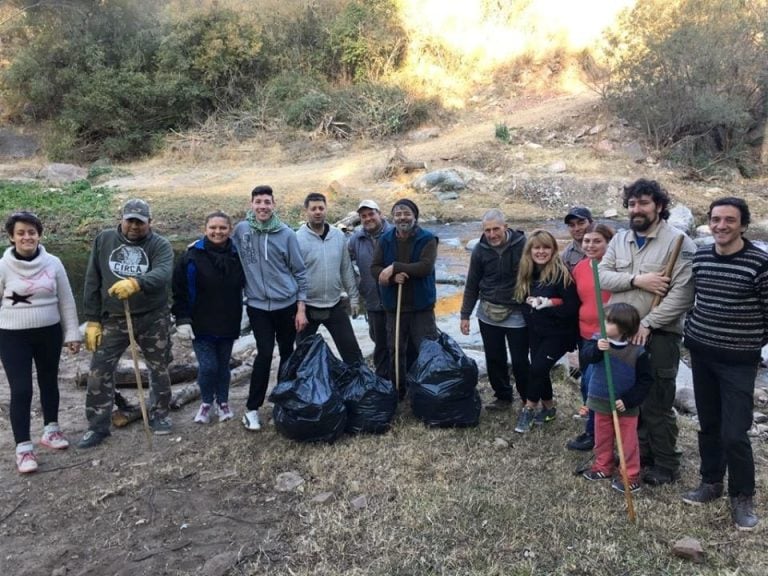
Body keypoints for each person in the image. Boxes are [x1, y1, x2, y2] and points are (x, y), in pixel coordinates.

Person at [598, 178, 695, 485]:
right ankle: (641, 456)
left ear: (659, 206)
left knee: (657, 403)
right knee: (631, 398)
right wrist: (637, 280)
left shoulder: (679, 243)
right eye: (632, 204)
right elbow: (603, 276)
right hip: (623, 337)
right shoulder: (620, 239)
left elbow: (682, 295)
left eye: (643, 203)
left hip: (659, 335)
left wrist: (649, 323)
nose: (636, 209)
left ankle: (666, 465)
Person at [681, 197, 768, 531]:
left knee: (735, 433)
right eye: (716, 220)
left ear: (743, 225)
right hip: (701, 354)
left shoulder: (759, 264)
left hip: (738, 362)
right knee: (709, 424)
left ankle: (742, 496)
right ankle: (711, 482)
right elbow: (695, 298)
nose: (721, 226)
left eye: (729, 220)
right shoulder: (701, 256)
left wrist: (748, 343)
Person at [78, 199, 175, 448]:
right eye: (130, 220)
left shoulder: (159, 244)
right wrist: (92, 320)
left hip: (154, 317)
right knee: (99, 369)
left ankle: (160, 415)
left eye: (140, 222)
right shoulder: (104, 240)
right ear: (121, 219)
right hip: (114, 317)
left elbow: (163, 274)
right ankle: (97, 425)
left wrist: (135, 283)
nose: (134, 226)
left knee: (159, 367)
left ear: (149, 223)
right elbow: (92, 279)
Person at [0, 211, 81, 473]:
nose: (27, 237)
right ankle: (23, 448)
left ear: (39, 235)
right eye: (21, 232)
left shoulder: (54, 263)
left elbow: (66, 300)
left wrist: (72, 334)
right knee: (21, 389)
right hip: (12, 335)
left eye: (31, 232)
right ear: (11, 237)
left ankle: (51, 430)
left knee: (49, 382)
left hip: (49, 332)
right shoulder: (2, 266)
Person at [232, 185, 308, 431]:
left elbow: (300, 272)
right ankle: (252, 409)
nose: (262, 206)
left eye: (267, 202)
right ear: (251, 204)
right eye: (258, 202)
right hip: (257, 306)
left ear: (274, 205)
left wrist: (301, 308)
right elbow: (223, 246)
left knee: (287, 353)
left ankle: (282, 402)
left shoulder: (286, 234)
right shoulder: (242, 230)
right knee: (264, 354)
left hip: (285, 304)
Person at [172, 211, 245, 424]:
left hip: (229, 320)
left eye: (222, 228)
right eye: (213, 227)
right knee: (208, 366)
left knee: (223, 366)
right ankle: (206, 402)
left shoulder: (236, 255)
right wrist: (182, 319)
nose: (217, 232)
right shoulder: (191, 257)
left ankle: (223, 402)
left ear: (230, 230)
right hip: (200, 322)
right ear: (205, 229)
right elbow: (179, 291)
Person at [460, 209, 529, 410]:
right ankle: (503, 396)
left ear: (505, 227)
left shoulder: (524, 245)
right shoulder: (479, 250)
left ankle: (527, 399)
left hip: (517, 311)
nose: (492, 234)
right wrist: (465, 315)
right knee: (494, 357)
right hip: (487, 312)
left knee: (520, 360)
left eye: (496, 229)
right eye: (487, 230)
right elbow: (472, 283)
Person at [581, 303, 653, 494]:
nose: (604, 325)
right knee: (602, 437)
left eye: (609, 322)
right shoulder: (597, 341)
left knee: (627, 442)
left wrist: (629, 400)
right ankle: (603, 466)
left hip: (625, 407)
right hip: (599, 401)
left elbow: (646, 381)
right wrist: (597, 349)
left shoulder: (637, 351)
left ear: (624, 328)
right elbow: (586, 357)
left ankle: (630, 476)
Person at [371, 198, 438, 398]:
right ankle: (398, 390)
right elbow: (375, 268)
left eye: (407, 213)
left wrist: (396, 267)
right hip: (395, 306)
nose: (402, 217)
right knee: (396, 349)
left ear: (415, 216)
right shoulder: (385, 239)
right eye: (398, 214)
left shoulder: (428, 239)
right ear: (393, 217)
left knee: (426, 349)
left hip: (421, 307)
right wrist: (391, 277)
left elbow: (425, 267)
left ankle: (428, 391)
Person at [513, 229, 578, 433]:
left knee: (537, 369)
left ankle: (529, 409)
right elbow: (520, 300)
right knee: (539, 370)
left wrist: (549, 304)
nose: (541, 251)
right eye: (537, 247)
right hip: (535, 331)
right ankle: (549, 408)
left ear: (553, 249)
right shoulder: (527, 272)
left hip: (558, 333)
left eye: (546, 247)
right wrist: (529, 302)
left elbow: (572, 307)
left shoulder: (561, 273)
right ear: (530, 250)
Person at [296, 193, 363, 365]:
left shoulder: (338, 236)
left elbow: (346, 269)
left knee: (352, 354)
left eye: (321, 208)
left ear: (326, 209)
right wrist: (298, 309)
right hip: (307, 308)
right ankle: (303, 390)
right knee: (303, 359)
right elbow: (293, 275)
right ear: (306, 212)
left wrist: (354, 298)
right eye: (313, 209)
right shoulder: (297, 238)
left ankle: (361, 387)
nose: (317, 212)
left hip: (334, 305)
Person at [567, 223, 615, 451]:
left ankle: (598, 433)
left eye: (597, 241)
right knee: (587, 384)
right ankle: (594, 430)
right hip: (584, 335)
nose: (590, 245)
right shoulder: (580, 267)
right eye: (587, 241)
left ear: (608, 243)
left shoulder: (614, 267)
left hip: (607, 336)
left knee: (595, 384)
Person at [348, 199, 393, 379]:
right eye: (363, 216)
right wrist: (358, 283)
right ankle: (383, 382)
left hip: (396, 301)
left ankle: (404, 381)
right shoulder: (355, 239)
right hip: (372, 301)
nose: (368, 218)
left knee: (400, 343)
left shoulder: (394, 234)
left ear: (380, 214)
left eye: (371, 214)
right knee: (380, 343)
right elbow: (345, 264)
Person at [562, 206, 593, 273]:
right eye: (572, 225)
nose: (577, 229)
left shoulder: (607, 246)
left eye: (581, 223)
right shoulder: (566, 255)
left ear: (591, 223)